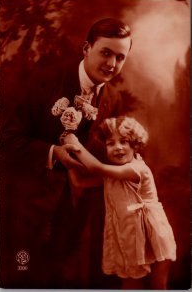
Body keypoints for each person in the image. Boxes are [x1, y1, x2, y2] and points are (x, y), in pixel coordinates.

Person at [0, 18, 132, 288]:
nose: (111, 64)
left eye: (120, 57)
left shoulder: (113, 99)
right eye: (106, 52)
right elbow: (6, 137)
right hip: (29, 208)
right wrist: (53, 152)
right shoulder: (45, 80)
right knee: (22, 276)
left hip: (75, 212)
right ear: (86, 48)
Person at [64, 116, 177, 290]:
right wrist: (68, 159)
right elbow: (80, 183)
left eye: (124, 141)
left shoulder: (136, 169)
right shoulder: (113, 175)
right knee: (130, 283)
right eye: (110, 143)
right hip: (130, 237)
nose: (118, 148)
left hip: (153, 234)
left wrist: (75, 144)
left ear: (135, 145)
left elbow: (96, 168)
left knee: (158, 285)